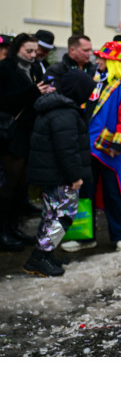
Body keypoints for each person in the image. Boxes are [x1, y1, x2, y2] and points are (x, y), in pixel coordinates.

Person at [23, 70, 95, 277]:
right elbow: (67, 149)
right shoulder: (66, 112)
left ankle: (46, 253)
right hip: (61, 175)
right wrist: (75, 176)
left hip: (52, 172)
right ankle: (39, 257)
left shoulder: (57, 107)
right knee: (62, 215)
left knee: (51, 214)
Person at [75, 40, 121, 251]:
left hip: (111, 148)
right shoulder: (94, 81)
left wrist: (117, 145)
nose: (97, 60)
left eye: (101, 57)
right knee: (85, 193)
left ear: (113, 61)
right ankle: (84, 236)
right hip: (88, 146)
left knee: (115, 192)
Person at [1, 32, 54, 250]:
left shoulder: (33, 68)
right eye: (28, 51)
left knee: (21, 187)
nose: (33, 55)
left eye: (35, 50)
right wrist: (32, 92)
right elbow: (4, 100)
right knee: (8, 186)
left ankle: (13, 228)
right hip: (9, 135)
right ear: (17, 49)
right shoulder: (5, 68)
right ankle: (3, 233)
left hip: (26, 133)